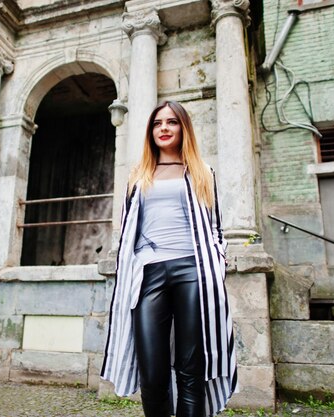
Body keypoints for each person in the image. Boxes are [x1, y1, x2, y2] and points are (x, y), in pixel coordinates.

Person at [101, 101, 238, 417]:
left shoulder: (203, 173)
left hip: (193, 270)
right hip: (149, 272)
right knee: (152, 371)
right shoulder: (138, 175)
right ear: (151, 131)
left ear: (183, 128)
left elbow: (215, 228)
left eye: (172, 122)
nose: (163, 128)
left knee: (191, 369)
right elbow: (127, 229)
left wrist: (218, 260)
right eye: (157, 123)